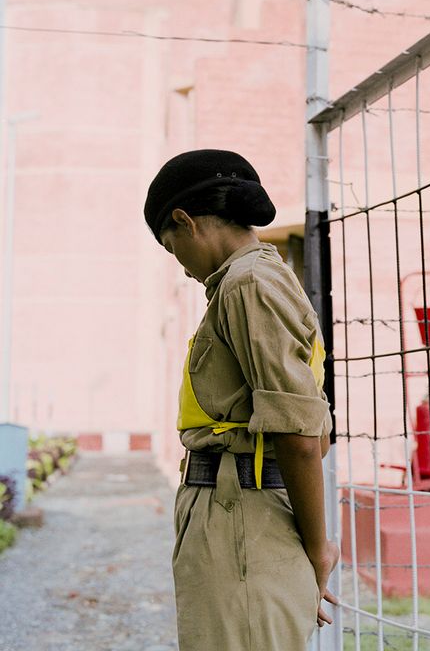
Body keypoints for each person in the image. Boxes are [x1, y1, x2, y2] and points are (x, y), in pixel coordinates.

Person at [143, 149, 338, 650]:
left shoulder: (247, 285)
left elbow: (298, 434)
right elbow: (317, 428)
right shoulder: (264, 279)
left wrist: (316, 550)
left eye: (172, 246)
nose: (182, 267)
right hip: (245, 516)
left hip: (239, 515)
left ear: (186, 221)